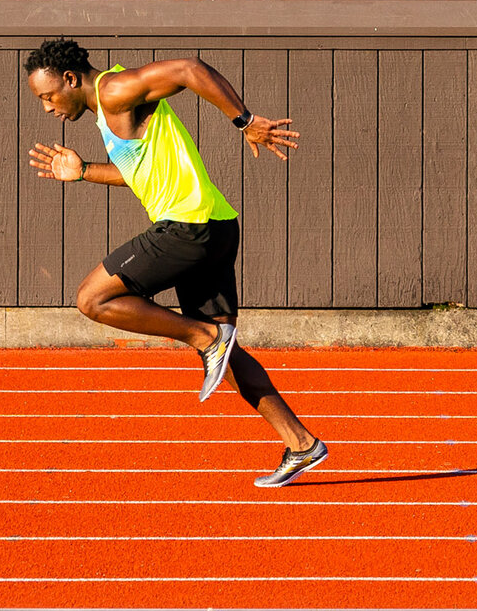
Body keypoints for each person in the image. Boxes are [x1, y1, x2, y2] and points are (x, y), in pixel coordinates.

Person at [23, 37, 330, 488]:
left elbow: (188, 69)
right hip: (216, 225)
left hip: (187, 228)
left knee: (91, 299)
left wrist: (244, 122)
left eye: (48, 96)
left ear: (70, 79)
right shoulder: (110, 112)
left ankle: (204, 336)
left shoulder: (112, 90)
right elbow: (141, 174)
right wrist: (84, 170)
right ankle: (302, 443)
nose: (48, 108)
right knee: (227, 355)